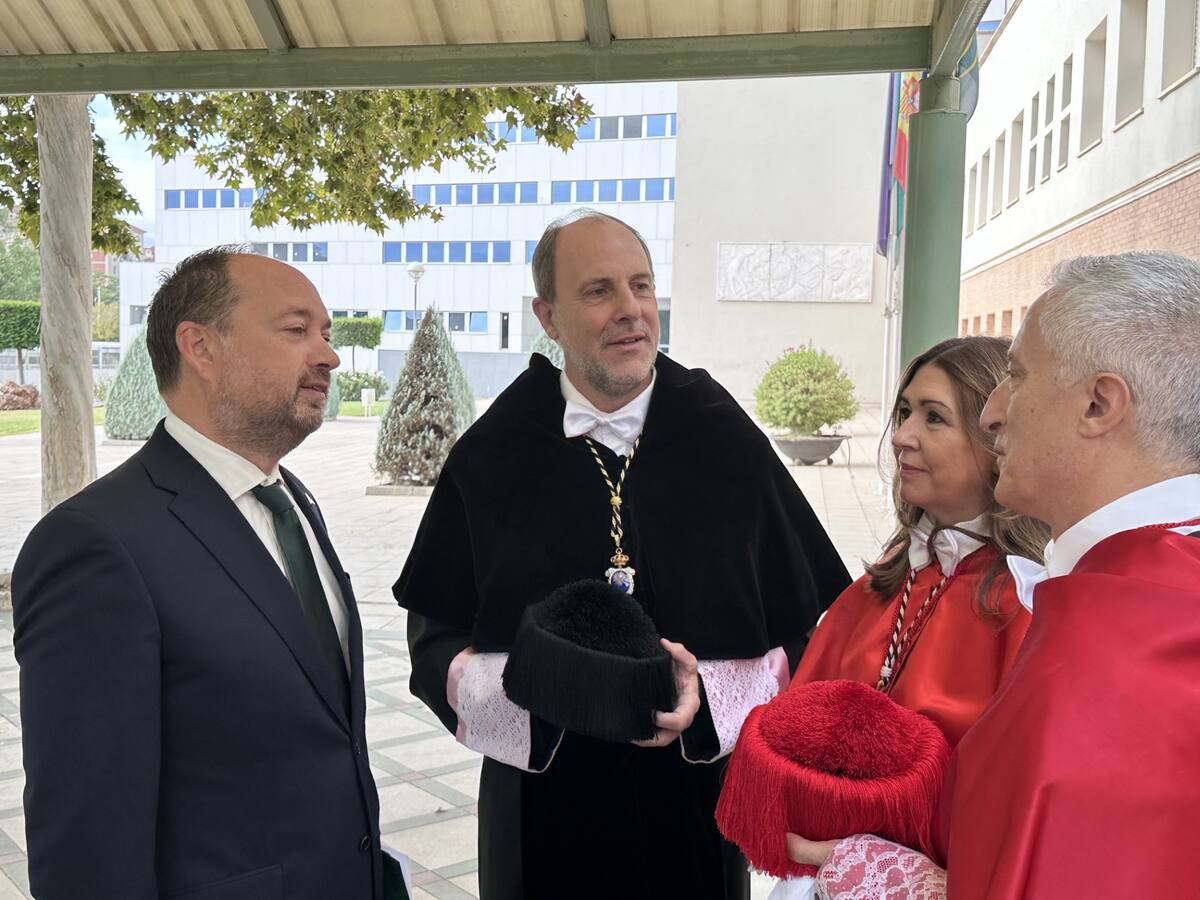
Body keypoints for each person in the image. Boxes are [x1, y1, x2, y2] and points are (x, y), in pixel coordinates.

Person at [394, 209, 851, 900]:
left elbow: (805, 639)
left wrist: (707, 703)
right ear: (548, 316)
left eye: (641, 286)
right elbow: (434, 642)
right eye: (598, 290)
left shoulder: (724, 440)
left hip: (695, 810)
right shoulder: (493, 453)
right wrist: (540, 696)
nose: (630, 310)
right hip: (539, 817)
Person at [794, 251, 1200, 899]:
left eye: (1017, 375)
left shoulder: (1120, 643)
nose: (993, 414)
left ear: (1099, 404)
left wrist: (887, 878)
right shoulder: (1129, 592)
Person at [13, 247, 397, 899]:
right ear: (200, 347)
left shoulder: (292, 501)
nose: (329, 355)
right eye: (297, 329)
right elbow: (87, 844)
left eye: (327, 333)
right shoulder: (95, 544)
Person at [766, 336, 1045, 898]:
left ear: (998, 438)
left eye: (933, 417)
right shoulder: (881, 584)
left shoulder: (1028, 605)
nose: (901, 436)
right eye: (903, 412)